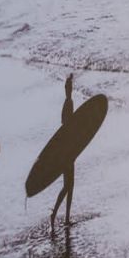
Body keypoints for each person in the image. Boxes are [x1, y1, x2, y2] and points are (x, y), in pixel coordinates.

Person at [51, 75, 76, 230]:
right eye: (68, 88)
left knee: (70, 185)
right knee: (68, 185)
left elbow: (65, 126)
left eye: (71, 88)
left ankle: (66, 217)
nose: (70, 90)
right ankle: (54, 214)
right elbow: (67, 127)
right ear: (66, 90)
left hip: (68, 149)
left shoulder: (67, 103)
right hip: (67, 151)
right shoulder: (68, 103)